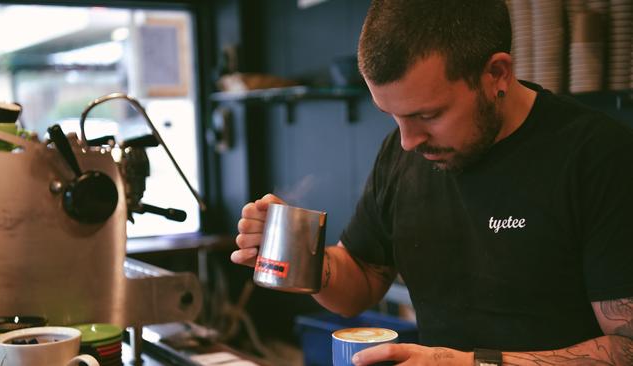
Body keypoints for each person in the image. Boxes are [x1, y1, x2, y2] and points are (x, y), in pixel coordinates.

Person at [231, 0, 633, 364]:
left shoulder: (598, 155)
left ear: (497, 73)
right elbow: (361, 281)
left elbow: (626, 346)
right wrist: (298, 253)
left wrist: (471, 363)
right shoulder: (403, 152)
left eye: (428, 115)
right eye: (392, 116)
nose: (408, 140)